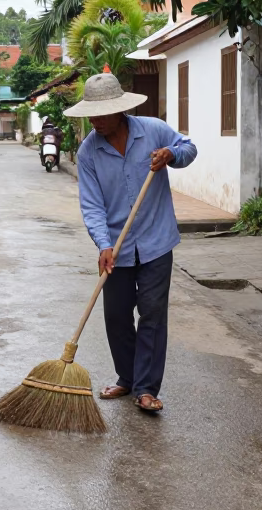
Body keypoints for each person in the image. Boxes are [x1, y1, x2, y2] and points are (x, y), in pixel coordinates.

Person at [65, 72, 197, 413]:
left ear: (120, 111)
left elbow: (188, 147)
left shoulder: (152, 129)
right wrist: (103, 244)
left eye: (102, 115)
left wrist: (171, 154)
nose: (95, 121)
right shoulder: (88, 152)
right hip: (117, 248)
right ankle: (127, 376)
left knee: (152, 316)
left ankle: (146, 389)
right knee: (117, 315)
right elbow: (92, 205)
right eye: (91, 115)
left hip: (156, 240)